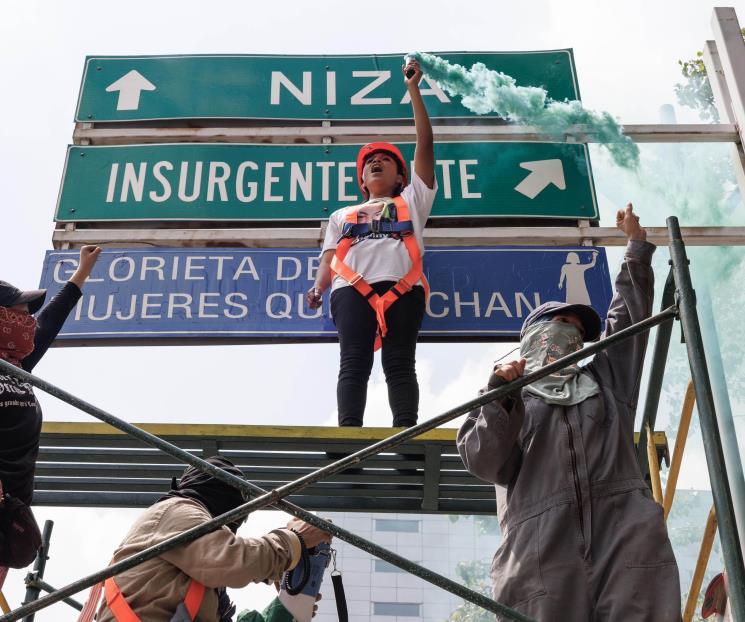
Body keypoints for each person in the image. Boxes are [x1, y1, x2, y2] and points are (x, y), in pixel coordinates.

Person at [457, 204, 681, 621]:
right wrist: (501, 396)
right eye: (558, 322)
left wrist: (635, 248)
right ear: (531, 338)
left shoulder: (605, 382)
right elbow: (485, 462)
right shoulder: (503, 397)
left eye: (577, 331)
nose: (570, 332)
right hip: (540, 547)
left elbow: (627, 318)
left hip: (624, 531)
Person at [306, 58, 436, 428]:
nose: (376, 164)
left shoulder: (412, 201)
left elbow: (424, 143)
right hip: (351, 290)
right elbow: (330, 256)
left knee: (399, 363)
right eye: (370, 162)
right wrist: (318, 286)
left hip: (403, 288)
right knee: (353, 361)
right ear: (362, 179)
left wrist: (414, 90)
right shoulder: (341, 215)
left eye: (386, 161)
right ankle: (348, 439)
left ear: (401, 178)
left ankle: (406, 435)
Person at [97, 456, 331, 622]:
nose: (233, 528)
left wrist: (285, 611)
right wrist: (292, 541)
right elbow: (233, 562)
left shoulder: (198, 575)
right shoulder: (176, 510)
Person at [0, 245, 101, 567]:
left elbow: (52, 317)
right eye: (20, 311)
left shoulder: (18, 363)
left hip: (9, 514)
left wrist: (83, 269)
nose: (28, 320)